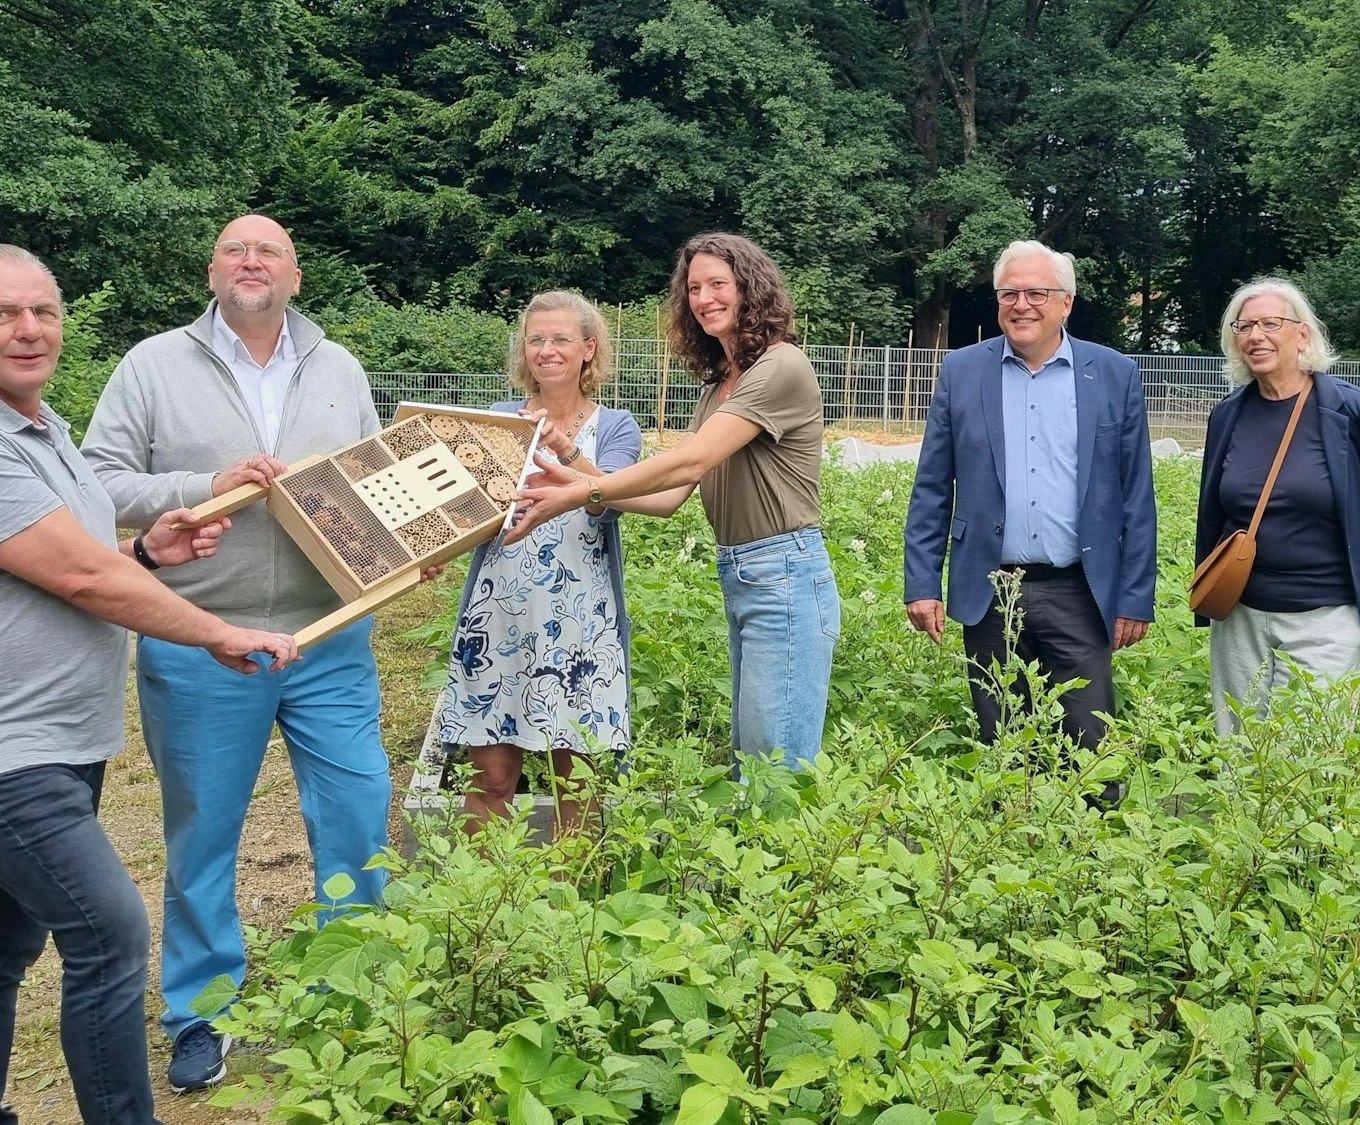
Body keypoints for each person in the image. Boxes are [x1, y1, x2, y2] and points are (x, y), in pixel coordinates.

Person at [0, 244, 297, 1125]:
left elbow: (63, 562)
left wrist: (146, 550)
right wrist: (221, 631)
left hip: (56, 741)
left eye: (44, 311)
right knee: (109, 935)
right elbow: (81, 580)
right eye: (2, 315)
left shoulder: (42, 430)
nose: (30, 330)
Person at [80, 213, 392, 1092]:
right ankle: (201, 1008)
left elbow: (376, 483)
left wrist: (412, 539)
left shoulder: (339, 368)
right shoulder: (151, 364)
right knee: (204, 830)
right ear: (211, 269)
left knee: (359, 815)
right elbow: (95, 481)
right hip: (203, 642)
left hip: (328, 637)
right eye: (235, 249)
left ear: (296, 275)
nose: (252, 262)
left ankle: (359, 992)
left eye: (270, 252)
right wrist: (200, 488)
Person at [507, 232, 839, 771]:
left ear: (750, 289)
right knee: (754, 757)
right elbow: (667, 497)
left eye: (718, 284)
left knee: (775, 766)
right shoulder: (721, 386)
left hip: (784, 570)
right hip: (745, 572)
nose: (704, 298)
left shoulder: (780, 367)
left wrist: (578, 491)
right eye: (693, 288)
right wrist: (573, 461)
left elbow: (689, 465)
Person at [902, 239, 1157, 784]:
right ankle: (1008, 851)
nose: (1022, 304)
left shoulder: (1111, 373)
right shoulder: (962, 371)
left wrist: (1135, 595)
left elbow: (1137, 495)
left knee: (1092, 745)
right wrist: (922, 583)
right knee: (1002, 742)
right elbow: (931, 486)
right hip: (989, 589)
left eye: (1036, 293)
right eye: (1009, 293)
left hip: (1079, 591)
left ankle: (1090, 857)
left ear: (1065, 302)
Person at [437, 291, 642, 835]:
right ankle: (488, 910)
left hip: (582, 624)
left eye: (560, 339)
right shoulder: (496, 421)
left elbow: (614, 493)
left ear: (588, 350)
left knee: (576, 779)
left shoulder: (616, 426)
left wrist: (563, 448)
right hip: (497, 615)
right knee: (492, 778)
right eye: (536, 339)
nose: (547, 350)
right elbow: (462, 508)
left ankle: (570, 915)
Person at [1196, 279, 1360, 734]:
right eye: (1244, 327)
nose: (1255, 336)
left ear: (1302, 335)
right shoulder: (1229, 414)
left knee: (1308, 759)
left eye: (1269, 324)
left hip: (1328, 620)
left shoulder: (1357, 413)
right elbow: (1214, 513)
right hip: (1242, 619)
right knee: (1236, 754)